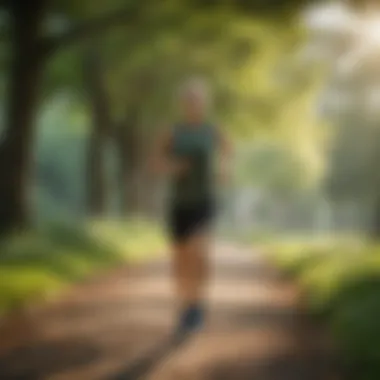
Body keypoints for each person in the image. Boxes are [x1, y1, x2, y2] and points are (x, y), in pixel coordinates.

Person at [150, 78, 232, 338]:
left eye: (197, 100)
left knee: (200, 251)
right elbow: (155, 162)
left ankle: (197, 304)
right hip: (179, 203)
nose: (193, 104)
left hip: (204, 200)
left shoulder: (213, 130)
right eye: (188, 100)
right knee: (181, 259)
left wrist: (223, 170)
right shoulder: (172, 132)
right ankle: (185, 305)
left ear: (205, 103)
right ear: (182, 104)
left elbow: (228, 152)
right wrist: (174, 167)